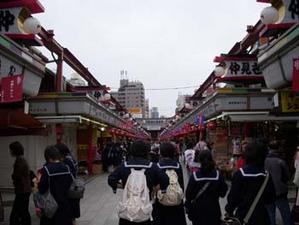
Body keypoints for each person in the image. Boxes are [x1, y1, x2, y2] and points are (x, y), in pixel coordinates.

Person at [108, 140, 169, 225]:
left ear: (132, 150)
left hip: (127, 208)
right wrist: (155, 189)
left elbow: (111, 179)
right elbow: (165, 180)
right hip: (146, 208)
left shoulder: (124, 165)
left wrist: (123, 186)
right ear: (146, 151)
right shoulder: (152, 166)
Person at [225, 141, 275, 225]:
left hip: (243, 216)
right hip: (262, 218)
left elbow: (233, 197)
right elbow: (270, 198)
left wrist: (229, 210)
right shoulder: (266, 175)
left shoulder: (240, 174)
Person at [185, 150, 228, 225]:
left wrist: (188, 207)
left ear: (199, 160)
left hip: (198, 212)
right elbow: (223, 193)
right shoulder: (218, 175)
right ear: (211, 159)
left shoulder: (195, 176)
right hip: (214, 211)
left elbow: (188, 195)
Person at [153, 142, 187, 225]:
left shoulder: (157, 166)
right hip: (176, 201)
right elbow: (181, 184)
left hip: (161, 201)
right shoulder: (178, 166)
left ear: (161, 153)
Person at [38, 146, 73, 225]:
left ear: (48, 157)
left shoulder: (46, 169)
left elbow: (42, 189)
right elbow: (71, 183)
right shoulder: (66, 168)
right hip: (65, 204)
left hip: (51, 205)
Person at [265, 141, 291, 225]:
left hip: (267, 191)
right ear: (279, 148)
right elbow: (287, 176)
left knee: (270, 215)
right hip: (280, 190)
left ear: (268, 148)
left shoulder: (264, 161)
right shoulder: (281, 161)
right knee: (286, 214)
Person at [55, 143, 80, 225]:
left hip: (70, 189)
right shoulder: (70, 158)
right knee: (71, 212)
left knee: (70, 211)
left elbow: (71, 175)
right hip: (71, 189)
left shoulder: (67, 161)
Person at [9, 141, 32, 225]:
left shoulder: (19, 160)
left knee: (16, 213)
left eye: (11, 150)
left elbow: (17, 175)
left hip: (22, 189)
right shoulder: (22, 159)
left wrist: (13, 176)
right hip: (25, 189)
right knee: (23, 211)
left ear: (15, 150)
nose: (10, 152)